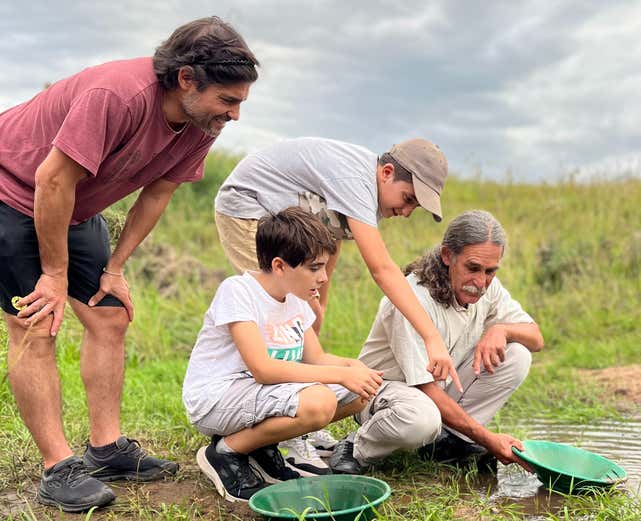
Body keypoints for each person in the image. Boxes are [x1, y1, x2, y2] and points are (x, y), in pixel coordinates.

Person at [0, 17, 258, 512]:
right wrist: (53, 277)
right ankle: (59, 470)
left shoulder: (202, 123)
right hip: (12, 192)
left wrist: (116, 265)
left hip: (74, 206)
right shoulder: (115, 95)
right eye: (228, 101)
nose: (235, 115)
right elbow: (51, 179)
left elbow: (156, 193)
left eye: (240, 102)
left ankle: (106, 448)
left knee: (110, 311)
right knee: (36, 323)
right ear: (186, 79)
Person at [213, 136, 462, 473]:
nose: (405, 212)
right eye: (407, 199)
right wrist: (432, 338)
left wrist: (318, 306)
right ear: (386, 172)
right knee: (276, 317)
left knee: (303, 321)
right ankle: (279, 436)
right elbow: (382, 269)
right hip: (249, 211)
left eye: (414, 207)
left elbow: (326, 241)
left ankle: (296, 422)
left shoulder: (363, 188)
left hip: (294, 226)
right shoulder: (358, 180)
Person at [183, 207, 383, 502]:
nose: (324, 277)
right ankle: (225, 452)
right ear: (279, 266)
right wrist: (341, 374)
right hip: (217, 399)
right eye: (315, 268)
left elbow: (317, 359)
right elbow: (263, 369)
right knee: (320, 401)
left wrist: (354, 368)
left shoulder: (296, 300)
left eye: (325, 267)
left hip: (258, 396)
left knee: (359, 391)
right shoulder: (239, 291)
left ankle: (264, 446)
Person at [327, 210, 544, 474]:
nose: (481, 282)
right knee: (421, 419)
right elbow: (426, 389)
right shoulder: (413, 298)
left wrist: (502, 329)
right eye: (472, 268)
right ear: (446, 256)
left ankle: (452, 442)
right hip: (382, 392)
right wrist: (488, 439)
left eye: (490, 271)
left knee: (518, 354)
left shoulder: (490, 288)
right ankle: (355, 446)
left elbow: (536, 337)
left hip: (435, 391)